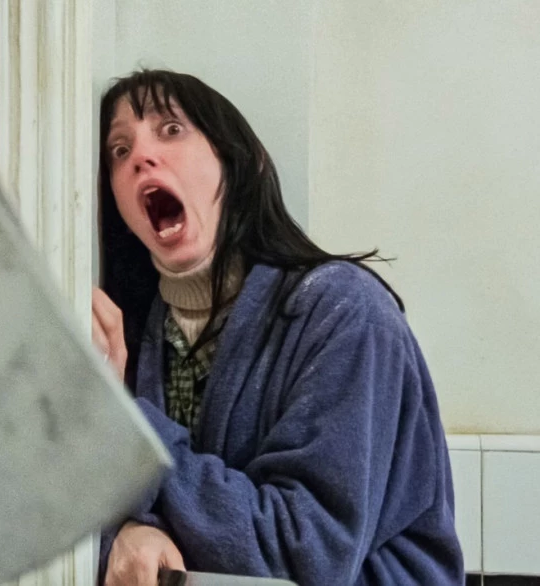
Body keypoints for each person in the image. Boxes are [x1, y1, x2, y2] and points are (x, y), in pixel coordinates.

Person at [90, 70, 464, 586]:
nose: (141, 157)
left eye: (171, 129)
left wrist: (125, 427)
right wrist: (126, 534)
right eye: (119, 149)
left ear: (245, 162)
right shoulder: (137, 333)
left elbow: (304, 556)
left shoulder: (345, 312)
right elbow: (94, 509)